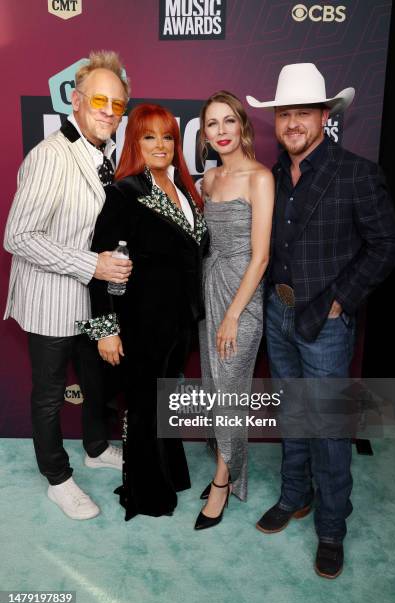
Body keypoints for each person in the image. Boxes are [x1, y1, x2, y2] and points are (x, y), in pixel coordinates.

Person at [247, 63, 395, 578]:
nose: (292, 122)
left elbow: (388, 245)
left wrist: (341, 300)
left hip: (327, 321)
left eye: (303, 113)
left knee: (331, 427)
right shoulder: (270, 177)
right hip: (278, 311)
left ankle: (332, 526)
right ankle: (296, 495)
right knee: (293, 413)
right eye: (284, 113)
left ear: (323, 116)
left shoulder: (356, 172)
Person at [3, 50, 133, 520]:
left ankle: (96, 448)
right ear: (75, 101)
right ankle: (57, 478)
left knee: (96, 380)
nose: (108, 110)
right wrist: (90, 265)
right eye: (99, 99)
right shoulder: (51, 155)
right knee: (51, 392)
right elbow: (17, 236)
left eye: (118, 104)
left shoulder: (105, 156)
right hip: (50, 299)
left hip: (90, 302)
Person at [78, 103, 209, 520]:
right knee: (144, 405)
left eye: (167, 136)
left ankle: (169, 475)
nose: (160, 145)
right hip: (141, 321)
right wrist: (106, 330)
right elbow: (103, 266)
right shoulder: (124, 193)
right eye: (148, 136)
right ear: (134, 141)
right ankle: (147, 494)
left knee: (165, 401)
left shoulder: (184, 189)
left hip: (179, 322)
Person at [194, 91, 274, 530]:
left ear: (241, 125)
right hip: (211, 290)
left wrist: (232, 315)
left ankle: (223, 483)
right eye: (212, 124)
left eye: (228, 122)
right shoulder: (209, 180)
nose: (221, 131)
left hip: (243, 296)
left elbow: (260, 257)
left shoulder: (260, 178)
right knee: (214, 384)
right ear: (204, 134)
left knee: (230, 390)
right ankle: (223, 465)